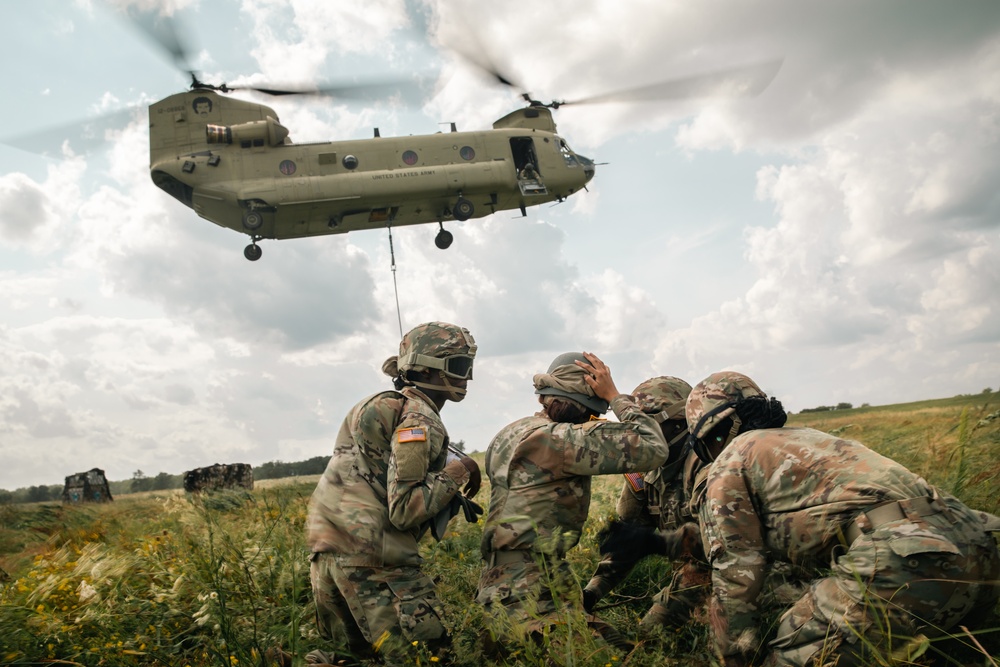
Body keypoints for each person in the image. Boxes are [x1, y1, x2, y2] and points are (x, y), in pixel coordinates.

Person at [677, 371, 1000, 667]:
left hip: (904, 564)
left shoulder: (732, 459)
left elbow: (736, 572)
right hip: (980, 547)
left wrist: (731, 654)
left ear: (714, 433)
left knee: (789, 653)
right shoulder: (812, 437)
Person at [304, 322, 482, 665]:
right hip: (377, 562)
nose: (468, 377)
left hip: (327, 554)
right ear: (428, 366)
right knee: (431, 659)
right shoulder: (419, 419)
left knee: (360, 658)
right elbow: (405, 510)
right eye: (460, 366)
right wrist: (459, 471)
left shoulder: (375, 405)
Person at [476, 351, 670, 651]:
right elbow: (653, 447)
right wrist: (616, 396)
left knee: (621, 647)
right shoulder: (561, 439)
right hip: (528, 588)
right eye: (591, 415)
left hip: (504, 581)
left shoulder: (510, 432)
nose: (590, 422)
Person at [582, 376, 712, 633]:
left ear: (679, 422)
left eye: (647, 422)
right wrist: (590, 594)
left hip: (741, 574)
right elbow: (629, 545)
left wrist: (659, 543)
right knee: (646, 639)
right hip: (692, 576)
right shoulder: (642, 474)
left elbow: (723, 542)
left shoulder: (710, 466)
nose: (637, 433)